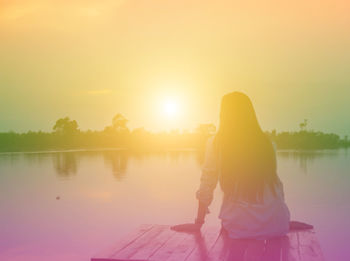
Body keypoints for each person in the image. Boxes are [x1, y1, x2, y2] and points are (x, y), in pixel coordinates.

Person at [172, 92, 296, 239]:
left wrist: (198, 222)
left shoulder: (217, 143)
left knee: (231, 224)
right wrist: (280, 217)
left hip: (240, 227)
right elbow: (276, 185)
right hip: (278, 225)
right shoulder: (267, 143)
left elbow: (207, 182)